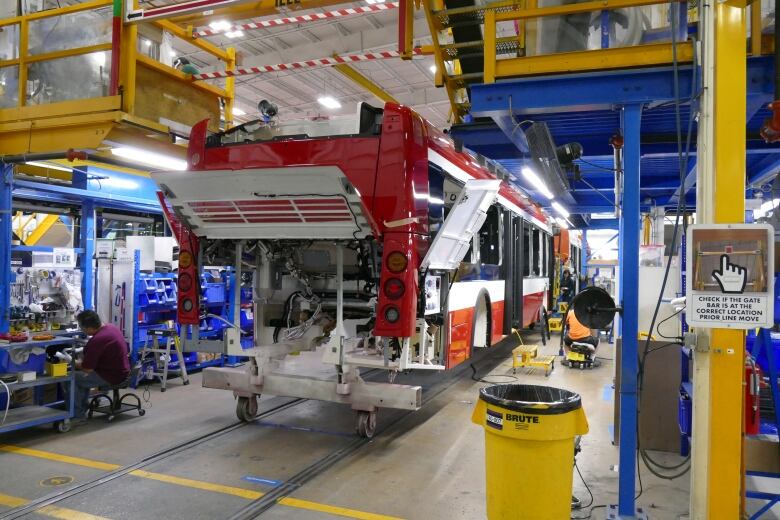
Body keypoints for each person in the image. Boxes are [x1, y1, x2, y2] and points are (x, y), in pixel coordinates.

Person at [71, 311, 130, 420]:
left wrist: (72, 362)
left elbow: (88, 369)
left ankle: (77, 415)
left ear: (88, 328)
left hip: (110, 376)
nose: (81, 330)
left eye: (82, 327)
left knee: (71, 378)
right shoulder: (111, 328)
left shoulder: (97, 340)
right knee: (80, 377)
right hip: (122, 370)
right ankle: (82, 406)